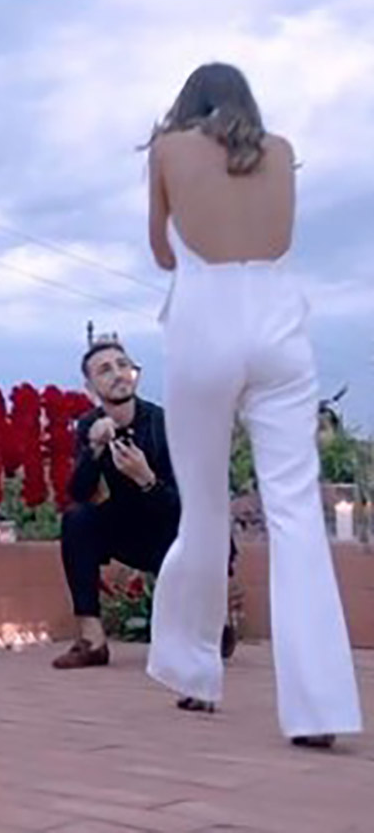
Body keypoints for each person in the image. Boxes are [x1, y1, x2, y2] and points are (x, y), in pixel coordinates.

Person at [143, 62, 362, 749]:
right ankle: (320, 708)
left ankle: (194, 672)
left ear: (188, 103)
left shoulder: (168, 149)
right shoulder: (282, 150)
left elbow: (162, 253)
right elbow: (283, 239)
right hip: (279, 324)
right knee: (295, 515)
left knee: (204, 509)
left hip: (204, 319)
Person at [51, 334, 237, 669]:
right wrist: (93, 451)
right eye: (105, 370)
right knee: (78, 520)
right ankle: (92, 641)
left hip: (180, 531)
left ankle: (212, 621)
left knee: (203, 528)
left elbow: (196, 507)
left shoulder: (166, 425)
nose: (118, 374)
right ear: (90, 388)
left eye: (123, 366)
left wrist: (146, 479)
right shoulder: (90, 425)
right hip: (132, 527)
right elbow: (78, 493)